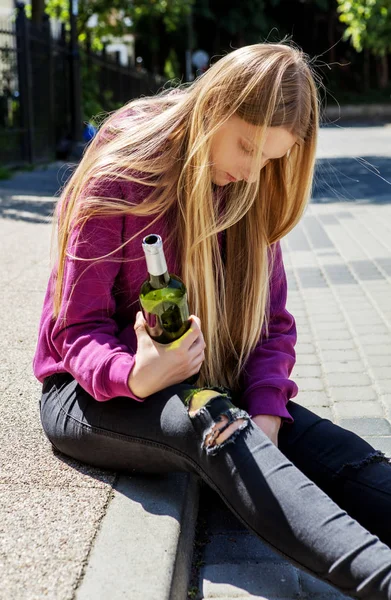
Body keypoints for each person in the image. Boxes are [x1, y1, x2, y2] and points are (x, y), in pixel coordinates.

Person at [33, 41, 391, 598]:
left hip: (201, 385)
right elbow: (74, 330)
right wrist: (135, 375)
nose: (251, 170)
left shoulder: (249, 188)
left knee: (328, 449)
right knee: (216, 423)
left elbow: (271, 325)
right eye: (246, 145)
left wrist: (270, 411)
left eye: (269, 158)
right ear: (214, 105)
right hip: (87, 394)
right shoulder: (123, 170)